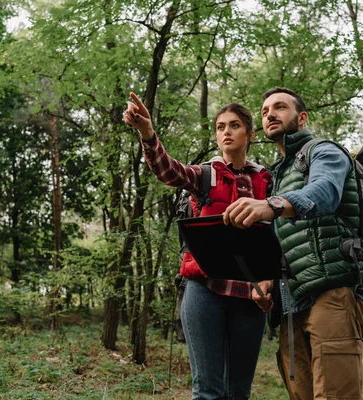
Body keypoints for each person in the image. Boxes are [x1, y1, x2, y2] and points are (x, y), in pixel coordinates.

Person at [123, 92, 271, 400]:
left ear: (251, 134)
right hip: (204, 289)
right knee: (207, 392)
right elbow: (168, 170)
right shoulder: (205, 174)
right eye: (220, 127)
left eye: (234, 125)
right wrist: (147, 133)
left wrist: (271, 283)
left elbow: (280, 235)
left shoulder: (267, 180)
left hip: (250, 296)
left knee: (238, 393)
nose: (226, 132)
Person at [223, 87, 363, 400]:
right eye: (264, 111)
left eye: (280, 107)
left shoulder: (323, 151)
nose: (270, 114)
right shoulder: (278, 174)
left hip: (331, 293)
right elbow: (285, 243)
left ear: (301, 118)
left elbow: (325, 192)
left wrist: (272, 204)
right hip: (290, 305)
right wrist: (268, 281)